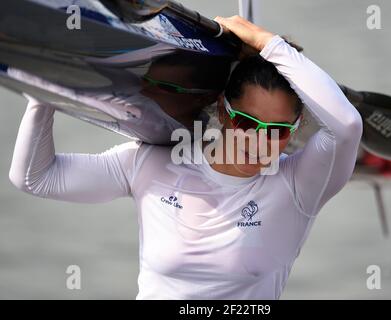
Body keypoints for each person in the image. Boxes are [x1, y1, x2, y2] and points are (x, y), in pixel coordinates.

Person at [8, 16, 363, 299]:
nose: (258, 141)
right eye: (245, 122)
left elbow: (346, 125)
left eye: (277, 130)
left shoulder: (300, 186)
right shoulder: (150, 162)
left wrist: (267, 42)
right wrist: (43, 97)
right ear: (223, 112)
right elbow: (35, 178)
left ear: (295, 128)